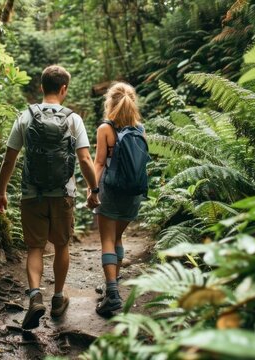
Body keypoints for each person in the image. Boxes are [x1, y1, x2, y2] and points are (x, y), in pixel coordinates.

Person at [0, 65, 100, 330]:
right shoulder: (73, 119)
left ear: (41, 87)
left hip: (32, 193)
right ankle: (57, 298)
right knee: (62, 245)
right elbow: (85, 159)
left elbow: (9, 159)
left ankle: (35, 296)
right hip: (63, 193)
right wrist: (93, 189)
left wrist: (1, 191)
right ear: (64, 89)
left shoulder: (25, 116)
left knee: (35, 248)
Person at [92, 82, 146, 316]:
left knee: (107, 239)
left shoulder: (105, 129)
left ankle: (113, 294)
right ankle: (112, 282)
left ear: (109, 103)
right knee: (118, 237)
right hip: (133, 193)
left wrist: (92, 190)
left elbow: (100, 162)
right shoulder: (140, 129)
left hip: (111, 191)